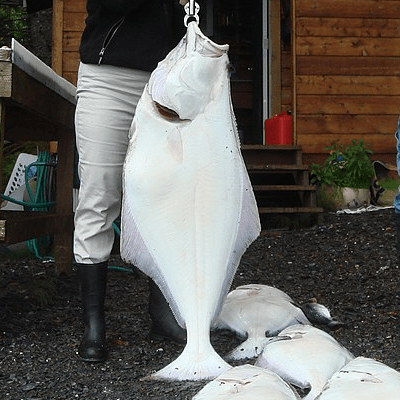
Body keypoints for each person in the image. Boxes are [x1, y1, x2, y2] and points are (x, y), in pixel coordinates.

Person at [74, 0, 188, 363]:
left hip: (164, 81)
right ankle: (93, 323)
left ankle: (162, 311)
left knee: (164, 198)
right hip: (107, 80)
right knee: (99, 194)